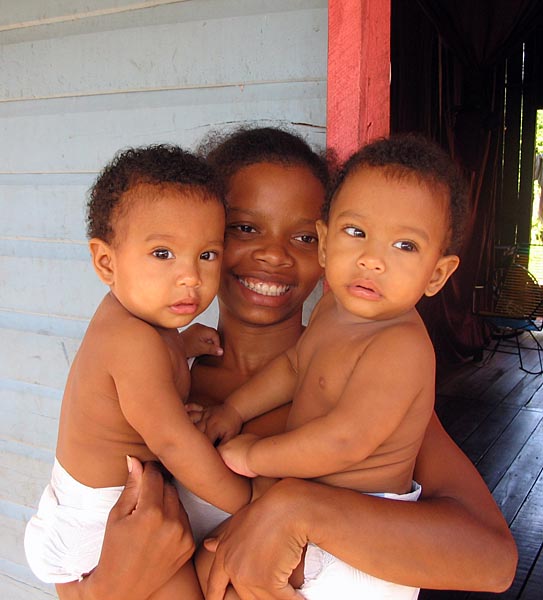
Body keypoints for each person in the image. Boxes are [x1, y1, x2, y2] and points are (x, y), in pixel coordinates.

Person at [55, 127, 517, 600]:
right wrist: (111, 585)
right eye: (243, 228)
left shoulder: (361, 378)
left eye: (301, 236)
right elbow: (73, 565)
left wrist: (299, 510)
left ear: (323, 247)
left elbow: (494, 562)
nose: (274, 254)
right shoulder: (159, 383)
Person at [196, 134, 463, 599]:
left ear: (437, 275)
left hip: (355, 551)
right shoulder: (332, 311)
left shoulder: (401, 347)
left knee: (219, 566)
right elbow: (294, 366)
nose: (372, 260)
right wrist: (234, 411)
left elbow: (345, 440)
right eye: (356, 233)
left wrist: (254, 456)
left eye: (404, 245)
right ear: (326, 244)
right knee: (213, 565)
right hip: (312, 538)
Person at [24, 145, 251, 599]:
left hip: (92, 505)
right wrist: (246, 502)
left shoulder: (141, 323)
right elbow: (173, 443)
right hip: (99, 521)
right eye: (163, 253)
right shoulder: (132, 342)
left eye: (207, 255)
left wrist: (182, 345)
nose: (190, 276)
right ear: (106, 262)